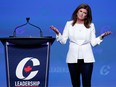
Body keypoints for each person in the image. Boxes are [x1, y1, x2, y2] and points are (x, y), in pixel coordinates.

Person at [50, 4, 112, 87]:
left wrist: (101, 37)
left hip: (87, 59)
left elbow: (93, 42)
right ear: (76, 12)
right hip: (72, 58)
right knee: (75, 84)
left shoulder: (91, 25)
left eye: (85, 13)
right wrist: (58, 33)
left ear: (87, 15)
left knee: (87, 83)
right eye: (80, 11)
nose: (82, 14)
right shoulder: (69, 24)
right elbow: (63, 41)